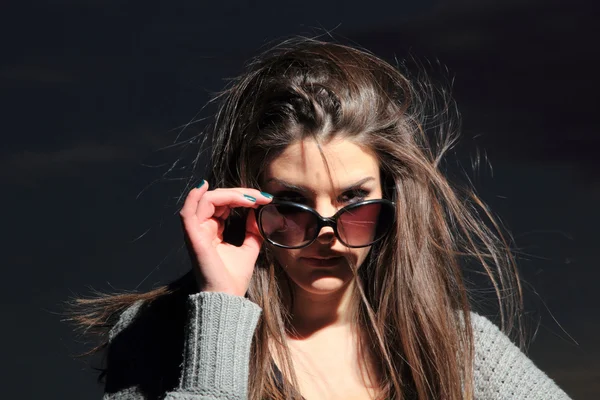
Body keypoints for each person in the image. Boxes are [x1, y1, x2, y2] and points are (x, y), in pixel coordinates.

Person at [70, 37, 571, 400]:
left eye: (356, 201)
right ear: (246, 203)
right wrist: (219, 308)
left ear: (393, 199)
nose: (327, 235)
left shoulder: (458, 344)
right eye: (293, 205)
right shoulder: (158, 336)